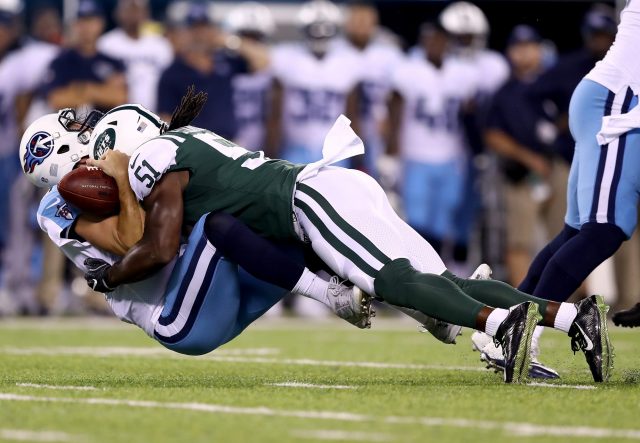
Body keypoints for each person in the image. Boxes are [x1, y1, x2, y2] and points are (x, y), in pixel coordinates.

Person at [78, 90, 612, 383]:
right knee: (436, 279)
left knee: (392, 281)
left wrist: (107, 277)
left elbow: (162, 246)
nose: (100, 166)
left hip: (308, 202)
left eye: (102, 153)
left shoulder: (152, 157)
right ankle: (569, 317)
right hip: (328, 188)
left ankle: (502, 325)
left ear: (124, 140)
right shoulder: (183, 142)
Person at [19, 106, 373, 355]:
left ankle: (401, 295)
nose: (85, 129)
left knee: (294, 230)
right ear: (61, 151)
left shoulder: (104, 168)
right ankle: (330, 297)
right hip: (178, 315)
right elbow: (131, 243)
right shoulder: (57, 207)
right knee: (214, 225)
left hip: (218, 286)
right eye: (73, 131)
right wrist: (124, 181)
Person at [517, 1, 640, 320]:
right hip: (617, 104)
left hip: (611, 99)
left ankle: (503, 319)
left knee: (576, 233)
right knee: (604, 229)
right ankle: (521, 329)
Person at [387, 22, 474, 257]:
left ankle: (438, 271)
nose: (435, 44)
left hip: (451, 156)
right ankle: (419, 270)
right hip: (416, 156)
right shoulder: (408, 71)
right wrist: (391, 150)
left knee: (445, 219)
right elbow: (393, 109)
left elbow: (470, 114)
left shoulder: (462, 72)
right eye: (430, 40)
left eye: (439, 39)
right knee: (416, 220)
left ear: (447, 42)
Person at [438, 1, 510, 275]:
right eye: (459, 37)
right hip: (445, 150)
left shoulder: (493, 65)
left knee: (488, 216)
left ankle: (486, 270)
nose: (464, 42)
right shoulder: (439, 65)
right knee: (445, 215)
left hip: (485, 151)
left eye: (468, 36)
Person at [266, 0, 361, 165]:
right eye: (314, 30)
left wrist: (357, 156)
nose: (320, 35)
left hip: (334, 149)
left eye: (325, 30)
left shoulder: (348, 61)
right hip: (295, 145)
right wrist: (271, 147)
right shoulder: (287, 57)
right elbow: (275, 112)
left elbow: (352, 113)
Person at [157, 1, 269, 140]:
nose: (199, 34)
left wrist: (229, 40)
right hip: (195, 147)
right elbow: (166, 118)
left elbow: (263, 61)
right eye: (194, 28)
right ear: (184, 32)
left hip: (230, 143)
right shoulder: (173, 72)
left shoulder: (225, 60)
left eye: (204, 27)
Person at [335, 0, 402, 178]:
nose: (361, 27)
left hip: (376, 133)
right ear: (347, 24)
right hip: (338, 133)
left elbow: (397, 96)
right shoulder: (335, 52)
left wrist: (390, 127)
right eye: (357, 21)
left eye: (366, 22)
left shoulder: (389, 54)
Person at [43, 0, 127, 113]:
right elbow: (56, 100)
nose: (87, 27)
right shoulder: (61, 62)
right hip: (69, 127)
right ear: (75, 25)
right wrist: (102, 91)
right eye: (82, 21)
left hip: (104, 126)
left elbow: (120, 97)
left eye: (91, 21)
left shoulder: (113, 62)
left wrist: (82, 89)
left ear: (101, 23)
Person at [98, 0, 173, 112]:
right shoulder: (106, 43)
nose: (134, 15)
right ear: (118, 13)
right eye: (129, 10)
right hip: (117, 114)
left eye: (137, 10)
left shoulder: (161, 44)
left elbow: (171, 82)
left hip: (157, 115)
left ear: (146, 13)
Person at [225, 2, 275, 151]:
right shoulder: (222, 63)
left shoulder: (271, 63)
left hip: (260, 141)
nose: (250, 43)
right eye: (245, 36)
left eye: (255, 37)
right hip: (227, 140)